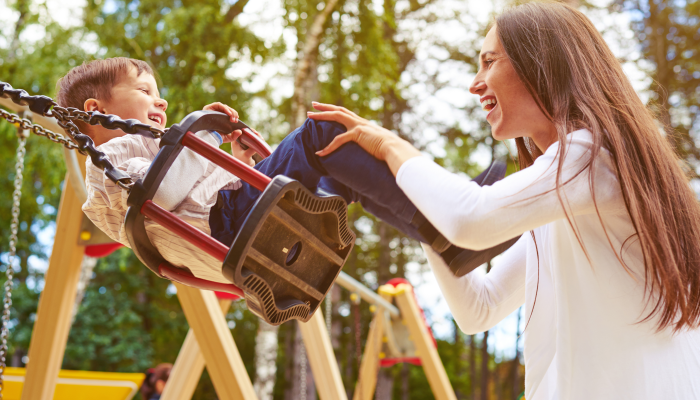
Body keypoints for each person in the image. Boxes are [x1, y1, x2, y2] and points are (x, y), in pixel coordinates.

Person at [308, 2, 700, 399]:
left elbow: (471, 220)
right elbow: (480, 307)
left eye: (489, 62)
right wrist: (417, 211)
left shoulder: (593, 156)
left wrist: (390, 146)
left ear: (541, 63)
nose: (475, 82)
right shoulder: (568, 202)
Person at [56, 57, 507, 284]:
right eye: (144, 90)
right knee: (323, 133)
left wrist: (241, 162)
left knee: (342, 170)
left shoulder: (148, 148)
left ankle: (443, 236)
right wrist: (204, 137)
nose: (161, 102)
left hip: (232, 224)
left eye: (159, 93)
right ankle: (451, 212)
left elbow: (194, 191)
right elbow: (163, 194)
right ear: (97, 109)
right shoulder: (111, 158)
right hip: (230, 225)